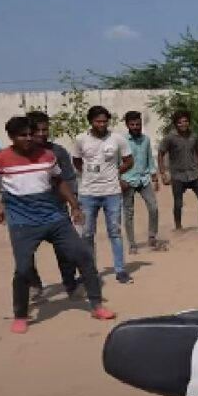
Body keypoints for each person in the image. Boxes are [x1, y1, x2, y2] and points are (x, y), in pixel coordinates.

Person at [0, 116, 116, 334]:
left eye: (30, 134)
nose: (28, 139)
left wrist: (74, 205)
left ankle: (97, 305)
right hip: (23, 223)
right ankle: (21, 315)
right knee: (23, 268)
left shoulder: (47, 155)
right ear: (11, 137)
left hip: (54, 218)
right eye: (22, 135)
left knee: (83, 255)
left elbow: (59, 181)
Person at [2, 111, 82, 300]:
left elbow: (69, 179)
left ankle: (70, 284)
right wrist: (1, 208)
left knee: (65, 250)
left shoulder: (57, 152)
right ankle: (35, 285)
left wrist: (73, 204)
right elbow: (8, 186)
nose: (41, 134)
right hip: (24, 215)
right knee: (25, 254)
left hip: (56, 211)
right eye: (36, 130)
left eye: (45, 130)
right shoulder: (12, 155)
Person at [72, 105, 135, 284]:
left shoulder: (117, 138)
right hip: (88, 193)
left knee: (115, 232)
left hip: (112, 193)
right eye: (98, 121)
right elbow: (76, 160)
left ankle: (120, 270)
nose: (101, 124)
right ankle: (88, 272)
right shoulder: (80, 140)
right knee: (86, 234)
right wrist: (88, 174)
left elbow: (129, 160)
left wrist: (116, 172)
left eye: (104, 121)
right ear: (90, 122)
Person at [120, 111, 165, 254]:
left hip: (144, 179)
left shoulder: (146, 139)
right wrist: (119, 180)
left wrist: (154, 177)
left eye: (137, 124)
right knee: (129, 213)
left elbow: (149, 159)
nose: (135, 127)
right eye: (132, 124)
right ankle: (132, 244)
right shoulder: (121, 140)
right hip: (127, 180)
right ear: (127, 125)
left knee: (154, 208)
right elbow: (115, 162)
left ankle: (152, 237)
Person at [158, 109, 198, 230]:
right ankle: (178, 226)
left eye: (186, 121)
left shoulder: (193, 136)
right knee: (178, 204)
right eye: (180, 122)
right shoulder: (170, 138)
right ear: (176, 123)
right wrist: (162, 172)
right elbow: (161, 154)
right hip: (178, 176)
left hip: (194, 174)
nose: (183, 124)